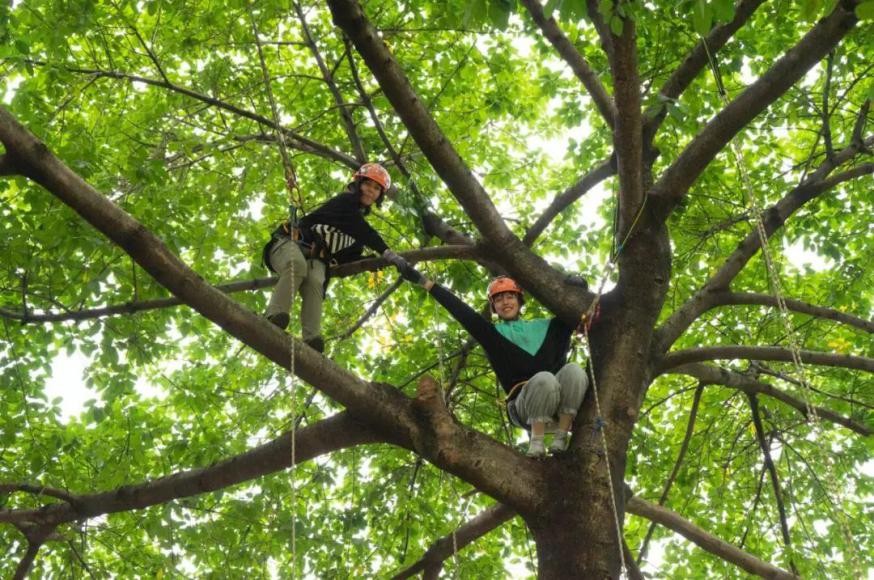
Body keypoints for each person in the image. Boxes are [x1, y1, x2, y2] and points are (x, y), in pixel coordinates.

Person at [405, 271, 590, 457]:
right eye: (499, 299)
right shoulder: (492, 334)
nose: (506, 302)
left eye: (510, 297)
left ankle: (561, 437)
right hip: (524, 406)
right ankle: (537, 443)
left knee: (574, 371)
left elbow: (573, 312)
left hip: (558, 403)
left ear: (519, 301)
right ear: (494, 307)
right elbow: (462, 311)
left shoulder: (547, 327)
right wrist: (426, 283)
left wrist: (579, 288)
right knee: (545, 378)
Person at [262, 163, 411, 353]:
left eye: (376, 189)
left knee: (316, 280)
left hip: (316, 259)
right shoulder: (345, 202)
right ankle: (273, 315)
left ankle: (311, 339)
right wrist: (387, 252)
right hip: (287, 245)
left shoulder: (355, 239)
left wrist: (367, 262)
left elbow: (344, 260)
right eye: (368, 185)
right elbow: (363, 230)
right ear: (358, 184)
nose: (371, 192)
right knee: (297, 265)